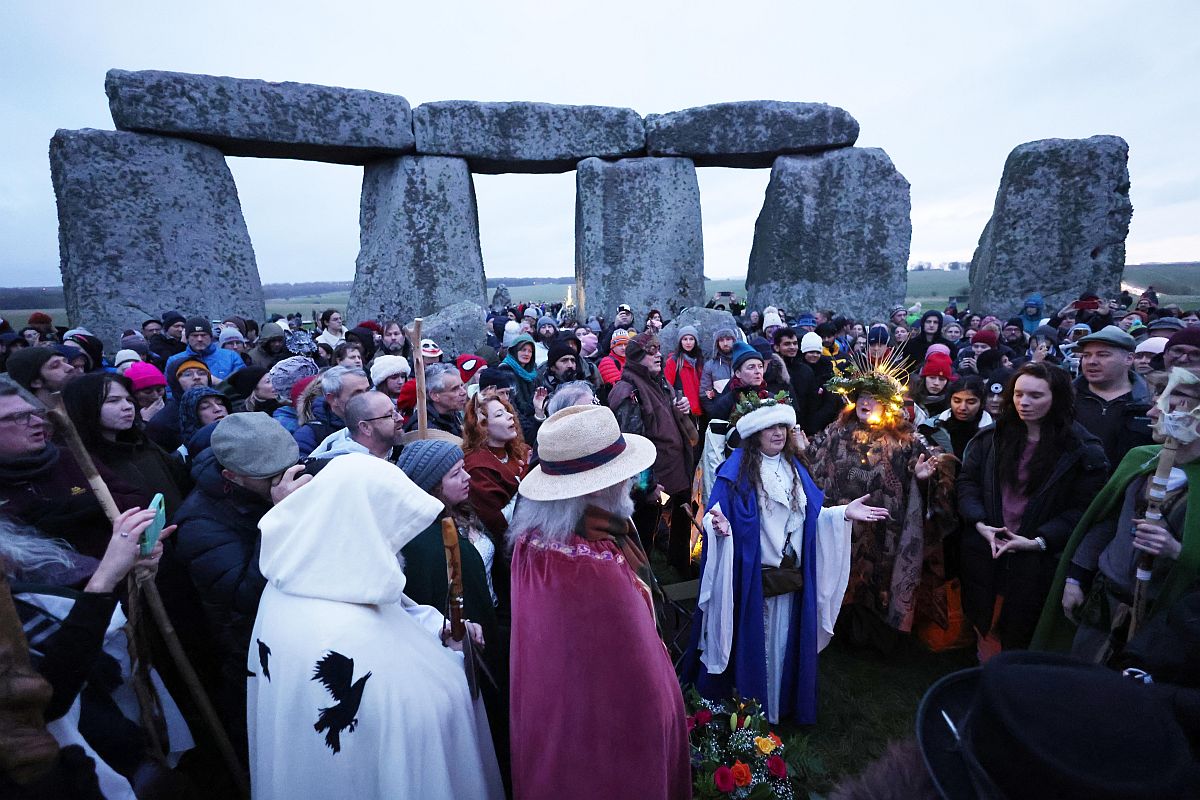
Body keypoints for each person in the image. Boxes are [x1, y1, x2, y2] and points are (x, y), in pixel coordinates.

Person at [246, 454, 503, 800]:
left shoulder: (301, 575)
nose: (394, 545)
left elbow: (392, 610)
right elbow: (416, 713)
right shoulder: (333, 628)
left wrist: (436, 627)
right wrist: (456, 662)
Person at [507, 405, 690, 800]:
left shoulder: (533, 541)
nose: (629, 481)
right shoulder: (588, 566)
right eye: (621, 474)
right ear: (595, 488)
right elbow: (639, 682)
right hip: (603, 741)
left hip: (554, 722)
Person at [681, 395, 886, 725]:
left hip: (790, 580)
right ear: (754, 434)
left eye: (782, 426)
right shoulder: (734, 474)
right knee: (755, 644)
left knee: (783, 642)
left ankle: (778, 707)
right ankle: (749, 712)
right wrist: (719, 527)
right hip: (752, 580)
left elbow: (811, 517)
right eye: (769, 427)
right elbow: (716, 516)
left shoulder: (795, 468)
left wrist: (842, 514)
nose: (778, 433)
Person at [1033, 366, 1200, 663]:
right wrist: (1076, 577)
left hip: (1165, 614)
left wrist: (1177, 551)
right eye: (1157, 399)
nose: (1152, 412)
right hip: (1105, 597)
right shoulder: (1140, 459)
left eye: (1175, 401)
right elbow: (1107, 521)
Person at [173, 413, 306, 755]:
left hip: (297, 633)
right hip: (253, 654)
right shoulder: (199, 524)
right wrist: (281, 516)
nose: (284, 479)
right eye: (270, 476)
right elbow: (244, 597)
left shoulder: (267, 485)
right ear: (231, 476)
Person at [957, 362, 1109, 659]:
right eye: (1018, 394)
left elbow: (1084, 509)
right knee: (986, 622)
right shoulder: (992, 438)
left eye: (1036, 396)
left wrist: (1039, 541)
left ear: (1057, 398)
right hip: (987, 548)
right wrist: (978, 521)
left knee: (1022, 634)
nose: (1024, 402)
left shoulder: (1083, 451)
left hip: (1037, 560)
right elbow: (968, 482)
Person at [804, 359, 946, 652]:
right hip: (843, 524)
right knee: (841, 574)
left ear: (888, 404)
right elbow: (813, 460)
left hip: (884, 529)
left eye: (873, 398)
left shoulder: (905, 438)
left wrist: (922, 478)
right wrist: (799, 446)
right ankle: (836, 632)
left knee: (877, 581)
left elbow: (933, 466)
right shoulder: (837, 432)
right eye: (862, 397)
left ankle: (877, 640)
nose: (865, 403)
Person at [395, 439, 509, 789]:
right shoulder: (423, 543)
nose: (467, 478)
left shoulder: (458, 514)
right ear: (432, 485)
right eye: (456, 474)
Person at [0, 381, 142, 559]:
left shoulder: (68, 458)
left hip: (125, 567)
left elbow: (139, 501)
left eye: (35, 413)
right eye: (20, 417)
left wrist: (95, 504)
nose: (38, 422)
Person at [609, 333, 697, 571]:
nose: (658, 355)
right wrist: (647, 486)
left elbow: (668, 420)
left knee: (681, 523)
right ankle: (644, 581)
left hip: (676, 470)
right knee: (645, 534)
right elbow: (631, 446)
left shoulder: (659, 382)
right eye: (650, 351)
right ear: (637, 357)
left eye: (658, 349)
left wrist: (682, 408)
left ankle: (680, 566)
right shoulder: (628, 391)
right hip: (655, 480)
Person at [1073, 326, 1153, 470]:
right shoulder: (1064, 398)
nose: (1091, 361)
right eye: (1086, 355)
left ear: (1129, 358)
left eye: (1103, 355)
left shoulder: (1150, 403)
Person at [293, 366, 370, 458]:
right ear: (332, 399)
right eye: (357, 394)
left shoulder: (378, 420)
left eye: (368, 391)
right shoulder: (307, 436)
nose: (367, 398)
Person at [308, 391, 403, 461]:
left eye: (396, 411)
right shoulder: (347, 469)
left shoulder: (394, 453)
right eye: (390, 415)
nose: (400, 418)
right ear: (365, 427)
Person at [917, 376, 992, 461]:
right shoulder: (930, 428)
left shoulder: (993, 432)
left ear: (982, 403)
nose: (963, 407)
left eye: (971, 402)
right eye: (957, 401)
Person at [163, 317, 243, 392]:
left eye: (203, 335)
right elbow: (168, 391)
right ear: (187, 338)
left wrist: (219, 383)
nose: (199, 339)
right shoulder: (174, 361)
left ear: (211, 337)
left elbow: (242, 387)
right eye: (195, 335)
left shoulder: (231, 357)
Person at [498, 334, 544, 442]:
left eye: (530, 351)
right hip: (517, 422)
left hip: (533, 417)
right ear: (515, 351)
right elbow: (512, 405)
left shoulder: (533, 372)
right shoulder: (505, 371)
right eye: (523, 350)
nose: (527, 354)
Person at [403, 363, 466, 437]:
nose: (463, 392)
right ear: (435, 396)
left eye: (462, 385)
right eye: (454, 389)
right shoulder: (424, 429)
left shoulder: (453, 415)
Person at [4, 348, 78, 405]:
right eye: (55, 365)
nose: (70, 367)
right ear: (36, 382)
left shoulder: (76, 401)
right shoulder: (34, 419)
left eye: (65, 361)